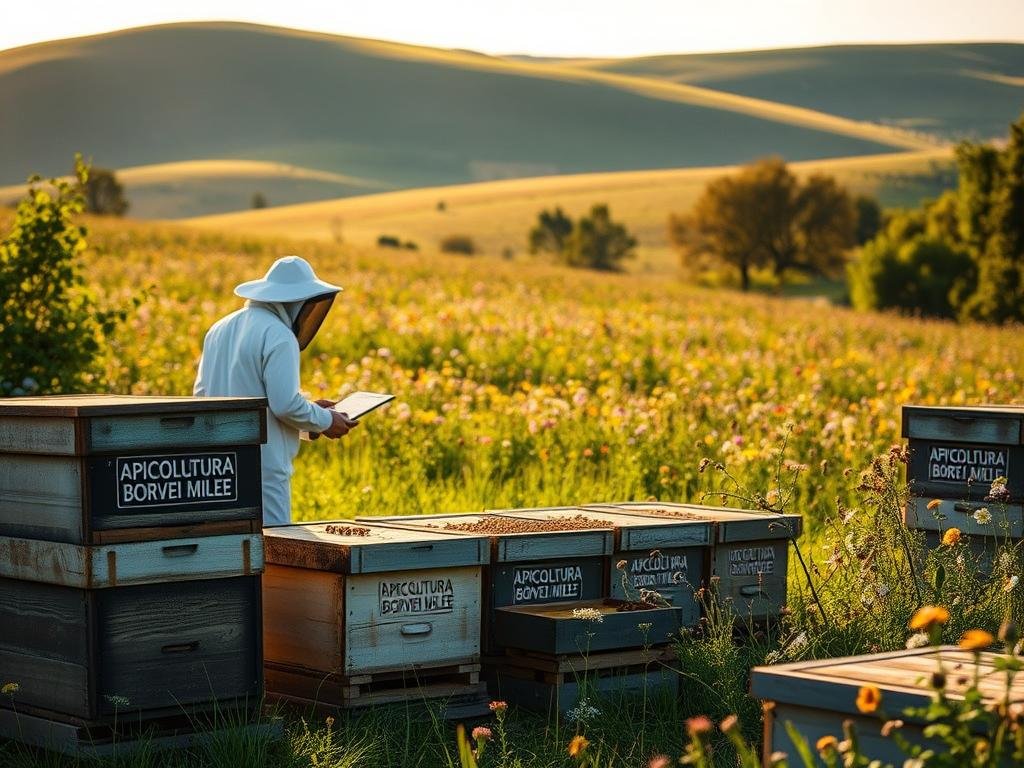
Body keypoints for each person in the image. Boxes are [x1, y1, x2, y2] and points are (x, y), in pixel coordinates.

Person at [194, 255, 358, 525]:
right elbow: (284, 405)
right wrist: (327, 421)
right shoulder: (279, 334)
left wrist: (312, 416)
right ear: (297, 302)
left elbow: (203, 395)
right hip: (264, 470)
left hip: (218, 468)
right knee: (274, 552)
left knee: (231, 550)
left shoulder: (219, 328)